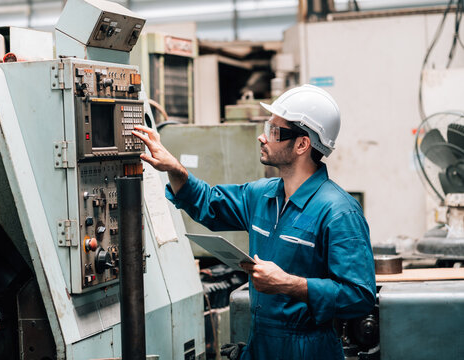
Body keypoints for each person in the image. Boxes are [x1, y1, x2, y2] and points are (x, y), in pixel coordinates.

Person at [132, 84, 376, 360]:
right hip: (261, 344)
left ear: (302, 144)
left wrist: (289, 284)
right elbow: (209, 203)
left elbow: (359, 296)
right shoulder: (262, 195)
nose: (262, 137)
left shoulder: (339, 211)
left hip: (310, 349)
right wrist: (175, 170)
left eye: (273, 131)